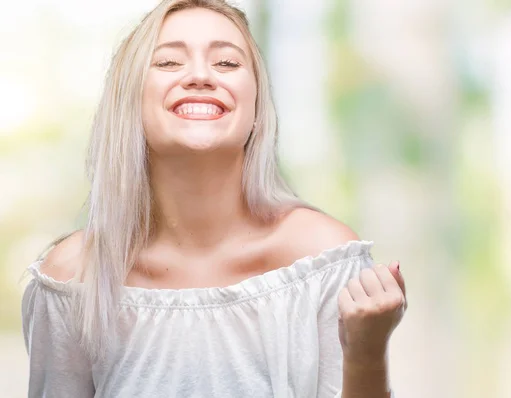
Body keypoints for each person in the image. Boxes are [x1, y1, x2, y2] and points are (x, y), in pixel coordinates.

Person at [21, 1, 407, 397]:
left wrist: (365, 356)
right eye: (169, 62)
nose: (201, 75)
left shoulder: (323, 259)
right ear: (130, 102)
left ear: (256, 105)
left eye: (226, 63)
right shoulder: (72, 277)